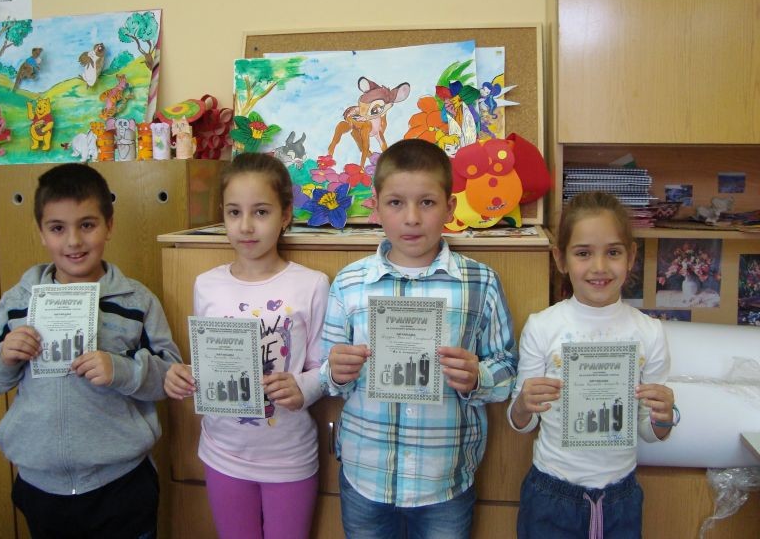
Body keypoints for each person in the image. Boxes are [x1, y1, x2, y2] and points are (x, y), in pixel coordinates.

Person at [321, 138, 518, 539]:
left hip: (444, 478)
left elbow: (507, 369)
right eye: (396, 203)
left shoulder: (480, 282)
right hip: (366, 475)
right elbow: (326, 374)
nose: (411, 218)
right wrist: (336, 371)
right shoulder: (350, 283)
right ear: (376, 206)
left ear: (450, 207)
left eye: (427, 202)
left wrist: (478, 377)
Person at [0, 163, 182, 539]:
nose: (73, 241)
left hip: (121, 484)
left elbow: (172, 377)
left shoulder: (137, 301)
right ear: (41, 232)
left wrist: (121, 370)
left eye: (87, 225)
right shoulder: (18, 302)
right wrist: (5, 356)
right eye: (58, 228)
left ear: (109, 225)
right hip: (40, 486)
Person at [164, 152, 329, 539]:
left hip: (288, 456)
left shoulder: (311, 284)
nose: (246, 226)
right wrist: (184, 377)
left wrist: (301, 387)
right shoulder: (207, 284)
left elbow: (324, 371)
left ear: (285, 215)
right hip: (223, 453)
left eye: (261, 212)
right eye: (234, 212)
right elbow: (210, 364)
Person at [508, 191, 677, 539]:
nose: (599, 267)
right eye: (583, 253)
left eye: (613, 252)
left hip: (620, 497)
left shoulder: (649, 332)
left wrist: (664, 416)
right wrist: (523, 403)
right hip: (551, 492)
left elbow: (651, 431)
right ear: (561, 259)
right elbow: (522, 423)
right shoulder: (542, 326)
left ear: (631, 257)